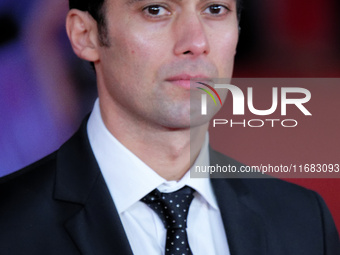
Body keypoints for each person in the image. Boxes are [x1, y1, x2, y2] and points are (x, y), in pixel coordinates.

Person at [0, 0, 339, 254]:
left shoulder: (305, 221)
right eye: (156, 10)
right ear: (85, 35)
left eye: (216, 9)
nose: (196, 41)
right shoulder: (9, 225)